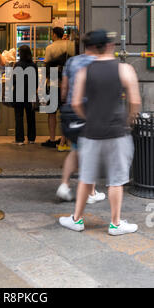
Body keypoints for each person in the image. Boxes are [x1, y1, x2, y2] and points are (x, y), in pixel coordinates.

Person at [59, 30, 141, 236]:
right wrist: (129, 119)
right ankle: (115, 223)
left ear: (92, 48)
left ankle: (76, 219)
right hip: (117, 131)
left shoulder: (84, 72)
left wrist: (88, 117)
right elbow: (135, 101)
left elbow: (76, 102)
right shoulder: (125, 69)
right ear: (109, 46)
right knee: (116, 180)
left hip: (91, 132)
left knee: (87, 177)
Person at [56, 31, 106, 204]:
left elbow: (63, 90)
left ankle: (64, 185)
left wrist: (67, 101)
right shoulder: (99, 63)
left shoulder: (71, 61)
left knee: (76, 149)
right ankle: (90, 193)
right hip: (89, 112)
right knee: (90, 151)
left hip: (70, 112)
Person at [42, 27, 75, 149]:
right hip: (68, 82)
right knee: (65, 112)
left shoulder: (50, 47)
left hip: (54, 83)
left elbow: (46, 66)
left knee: (51, 113)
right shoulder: (70, 45)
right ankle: (64, 139)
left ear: (55, 35)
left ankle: (52, 139)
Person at [13, 45, 38, 145]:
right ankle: (31, 138)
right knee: (31, 117)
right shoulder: (33, 65)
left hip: (19, 93)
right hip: (30, 93)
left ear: (20, 53)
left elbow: (13, 80)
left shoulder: (17, 65)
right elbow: (36, 81)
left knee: (19, 117)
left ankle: (20, 140)